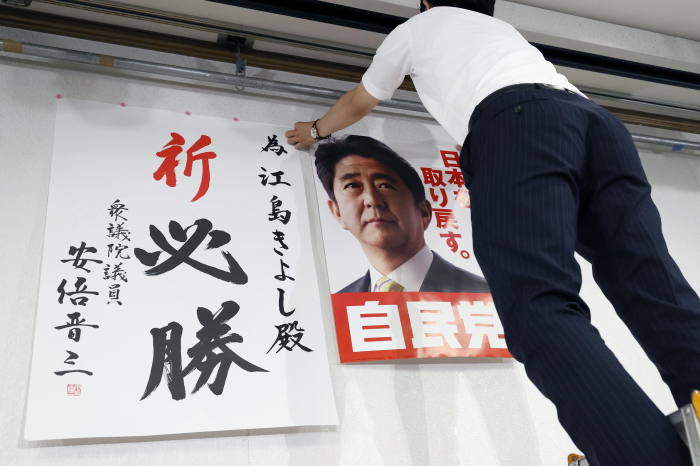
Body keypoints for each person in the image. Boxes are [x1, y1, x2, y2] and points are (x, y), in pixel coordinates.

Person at [285, 1, 700, 465]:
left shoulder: (419, 26)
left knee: (536, 306)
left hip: (518, 118)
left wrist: (315, 129)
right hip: (599, 125)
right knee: (651, 282)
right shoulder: (500, 32)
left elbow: (361, 99)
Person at [314, 134, 490, 294]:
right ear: (337, 212)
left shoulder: (485, 295)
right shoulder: (334, 308)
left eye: (384, 185)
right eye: (352, 186)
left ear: (424, 212)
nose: (372, 200)